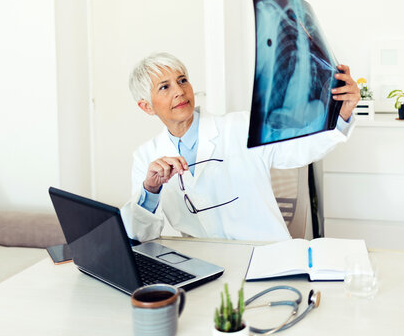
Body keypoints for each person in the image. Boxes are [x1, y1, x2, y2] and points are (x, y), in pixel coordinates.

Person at [121, 52, 359, 242]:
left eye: (182, 80)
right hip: (205, 266)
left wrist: (342, 115)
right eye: (165, 87)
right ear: (147, 107)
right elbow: (140, 236)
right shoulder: (146, 157)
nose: (180, 91)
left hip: (264, 254)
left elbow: (296, 151)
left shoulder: (240, 126)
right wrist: (150, 189)